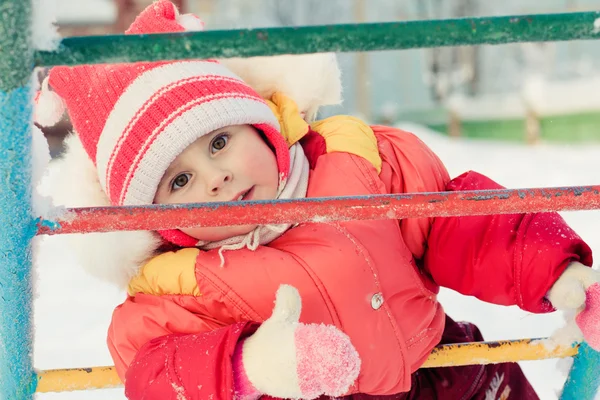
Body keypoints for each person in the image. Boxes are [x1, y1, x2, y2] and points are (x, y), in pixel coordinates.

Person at [40, 1, 600, 399]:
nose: (214, 178)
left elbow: (459, 224)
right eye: (178, 183)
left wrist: (556, 275)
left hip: (450, 377)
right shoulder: (178, 286)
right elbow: (154, 372)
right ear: (159, 221)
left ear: (262, 127)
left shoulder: (356, 164)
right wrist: (249, 367)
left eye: (218, 141)